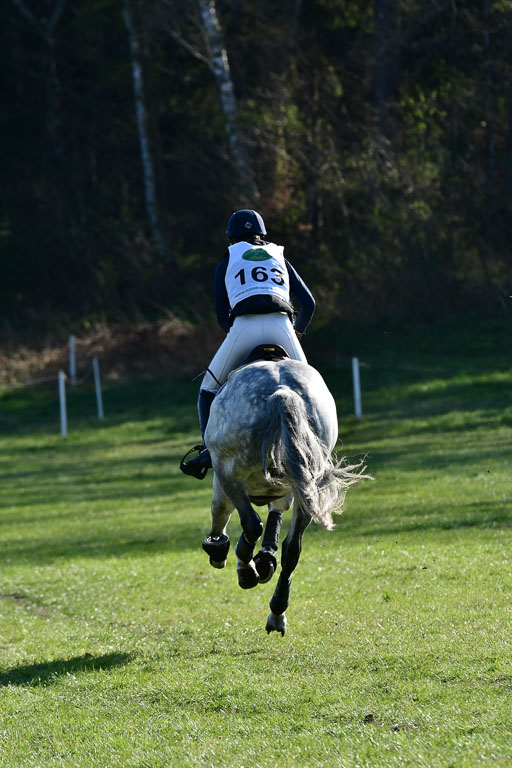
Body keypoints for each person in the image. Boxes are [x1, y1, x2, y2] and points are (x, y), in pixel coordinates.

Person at [180, 208, 316, 479]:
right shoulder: (280, 258)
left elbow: (221, 315)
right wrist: (296, 332)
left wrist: (238, 337)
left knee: (207, 389)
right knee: (310, 389)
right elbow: (309, 304)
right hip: (282, 326)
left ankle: (208, 452)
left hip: (244, 327)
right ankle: (317, 449)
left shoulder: (227, 261)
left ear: (231, 238)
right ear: (262, 235)